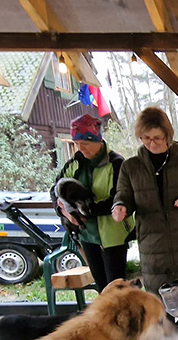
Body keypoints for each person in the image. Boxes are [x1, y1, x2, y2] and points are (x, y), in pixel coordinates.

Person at [112, 107, 178, 340]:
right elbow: (123, 196)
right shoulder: (131, 167)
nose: (151, 143)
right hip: (151, 243)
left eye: (156, 138)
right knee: (159, 296)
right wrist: (119, 207)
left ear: (167, 135)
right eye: (145, 139)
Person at [51, 113, 134, 292]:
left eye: (85, 144)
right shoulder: (75, 164)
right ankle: (105, 317)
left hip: (113, 235)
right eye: (77, 144)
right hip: (87, 235)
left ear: (98, 140)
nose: (81, 149)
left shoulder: (116, 163)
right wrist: (67, 213)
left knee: (116, 287)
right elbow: (55, 191)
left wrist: (85, 211)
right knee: (101, 286)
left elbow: (118, 198)